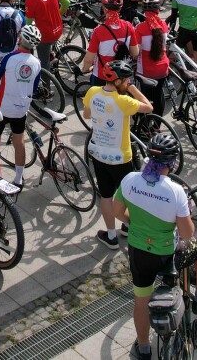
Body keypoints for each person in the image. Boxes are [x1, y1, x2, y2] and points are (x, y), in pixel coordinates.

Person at [118, 132, 197, 360]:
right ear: (172, 163)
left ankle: (144, 348)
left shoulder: (129, 180)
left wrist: (137, 224)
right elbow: (187, 234)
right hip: (168, 253)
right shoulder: (175, 191)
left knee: (141, 300)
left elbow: (118, 212)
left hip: (138, 252)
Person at [85, 59, 153, 250]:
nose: (129, 82)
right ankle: (129, 226)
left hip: (99, 154)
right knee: (129, 196)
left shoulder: (93, 92)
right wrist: (132, 89)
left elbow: (86, 115)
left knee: (106, 196)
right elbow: (149, 107)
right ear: (117, 81)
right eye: (126, 80)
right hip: (121, 157)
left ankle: (111, 236)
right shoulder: (124, 101)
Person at [0, 24, 44, 186]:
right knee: (19, 142)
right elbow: (34, 87)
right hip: (21, 109)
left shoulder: (9, 58)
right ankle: (19, 178)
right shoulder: (37, 62)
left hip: (1, 107)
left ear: (20, 39)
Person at [82, 0, 140, 83]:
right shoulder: (129, 26)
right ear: (120, 9)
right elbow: (135, 53)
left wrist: (85, 69)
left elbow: (89, 59)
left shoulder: (98, 31)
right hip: (122, 77)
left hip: (102, 76)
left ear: (104, 9)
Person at [18, 0, 69, 74]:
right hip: (59, 29)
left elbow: (27, 24)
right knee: (49, 46)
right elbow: (66, 2)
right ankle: (51, 55)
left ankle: (47, 82)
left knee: (44, 66)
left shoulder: (31, 1)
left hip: (45, 37)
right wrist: (58, 15)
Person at [134, 0, 170, 116]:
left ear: (144, 11)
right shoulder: (164, 25)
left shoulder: (140, 28)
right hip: (162, 67)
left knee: (145, 98)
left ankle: (144, 124)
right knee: (158, 96)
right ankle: (157, 123)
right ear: (158, 10)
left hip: (146, 70)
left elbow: (136, 51)